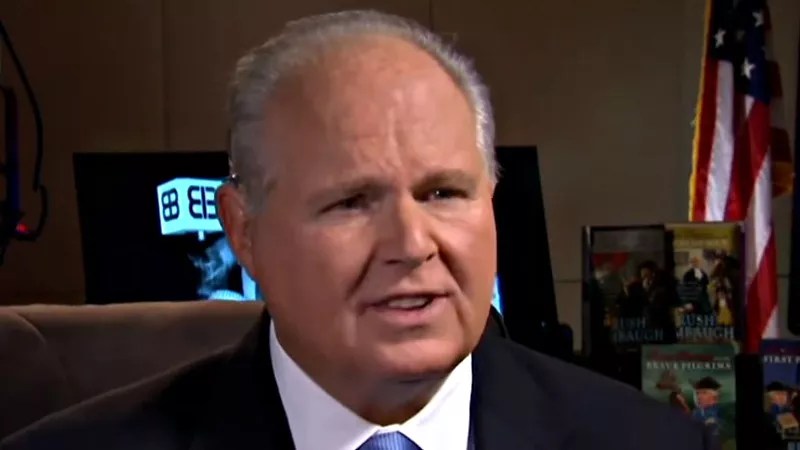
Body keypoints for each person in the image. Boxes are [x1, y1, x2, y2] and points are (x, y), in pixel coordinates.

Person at [0, 10, 717, 450]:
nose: (412, 244)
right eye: (350, 202)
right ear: (244, 233)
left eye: (444, 193)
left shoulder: (653, 443)